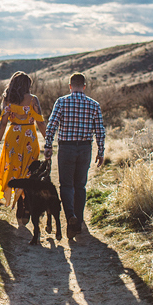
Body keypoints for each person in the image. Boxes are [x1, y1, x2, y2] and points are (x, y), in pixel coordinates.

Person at [44, 72, 105, 240]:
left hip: (66, 149)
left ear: (70, 86)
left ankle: (70, 215)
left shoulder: (62, 102)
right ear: (84, 86)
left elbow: (51, 126)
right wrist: (101, 151)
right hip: (85, 148)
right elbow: (100, 130)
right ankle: (78, 220)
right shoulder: (94, 105)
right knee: (80, 185)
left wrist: (48, 146)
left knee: (66, 185)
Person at [0, 71, 47, 208]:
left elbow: (3, 123)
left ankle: (19, 201)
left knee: (14, 168)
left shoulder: (7, 99)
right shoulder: (33, 99)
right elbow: (40, 122)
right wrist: (48, 139)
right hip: (29, 136)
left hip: (12, 138)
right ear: (27, 85)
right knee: (29, 169)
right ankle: (25, 199)